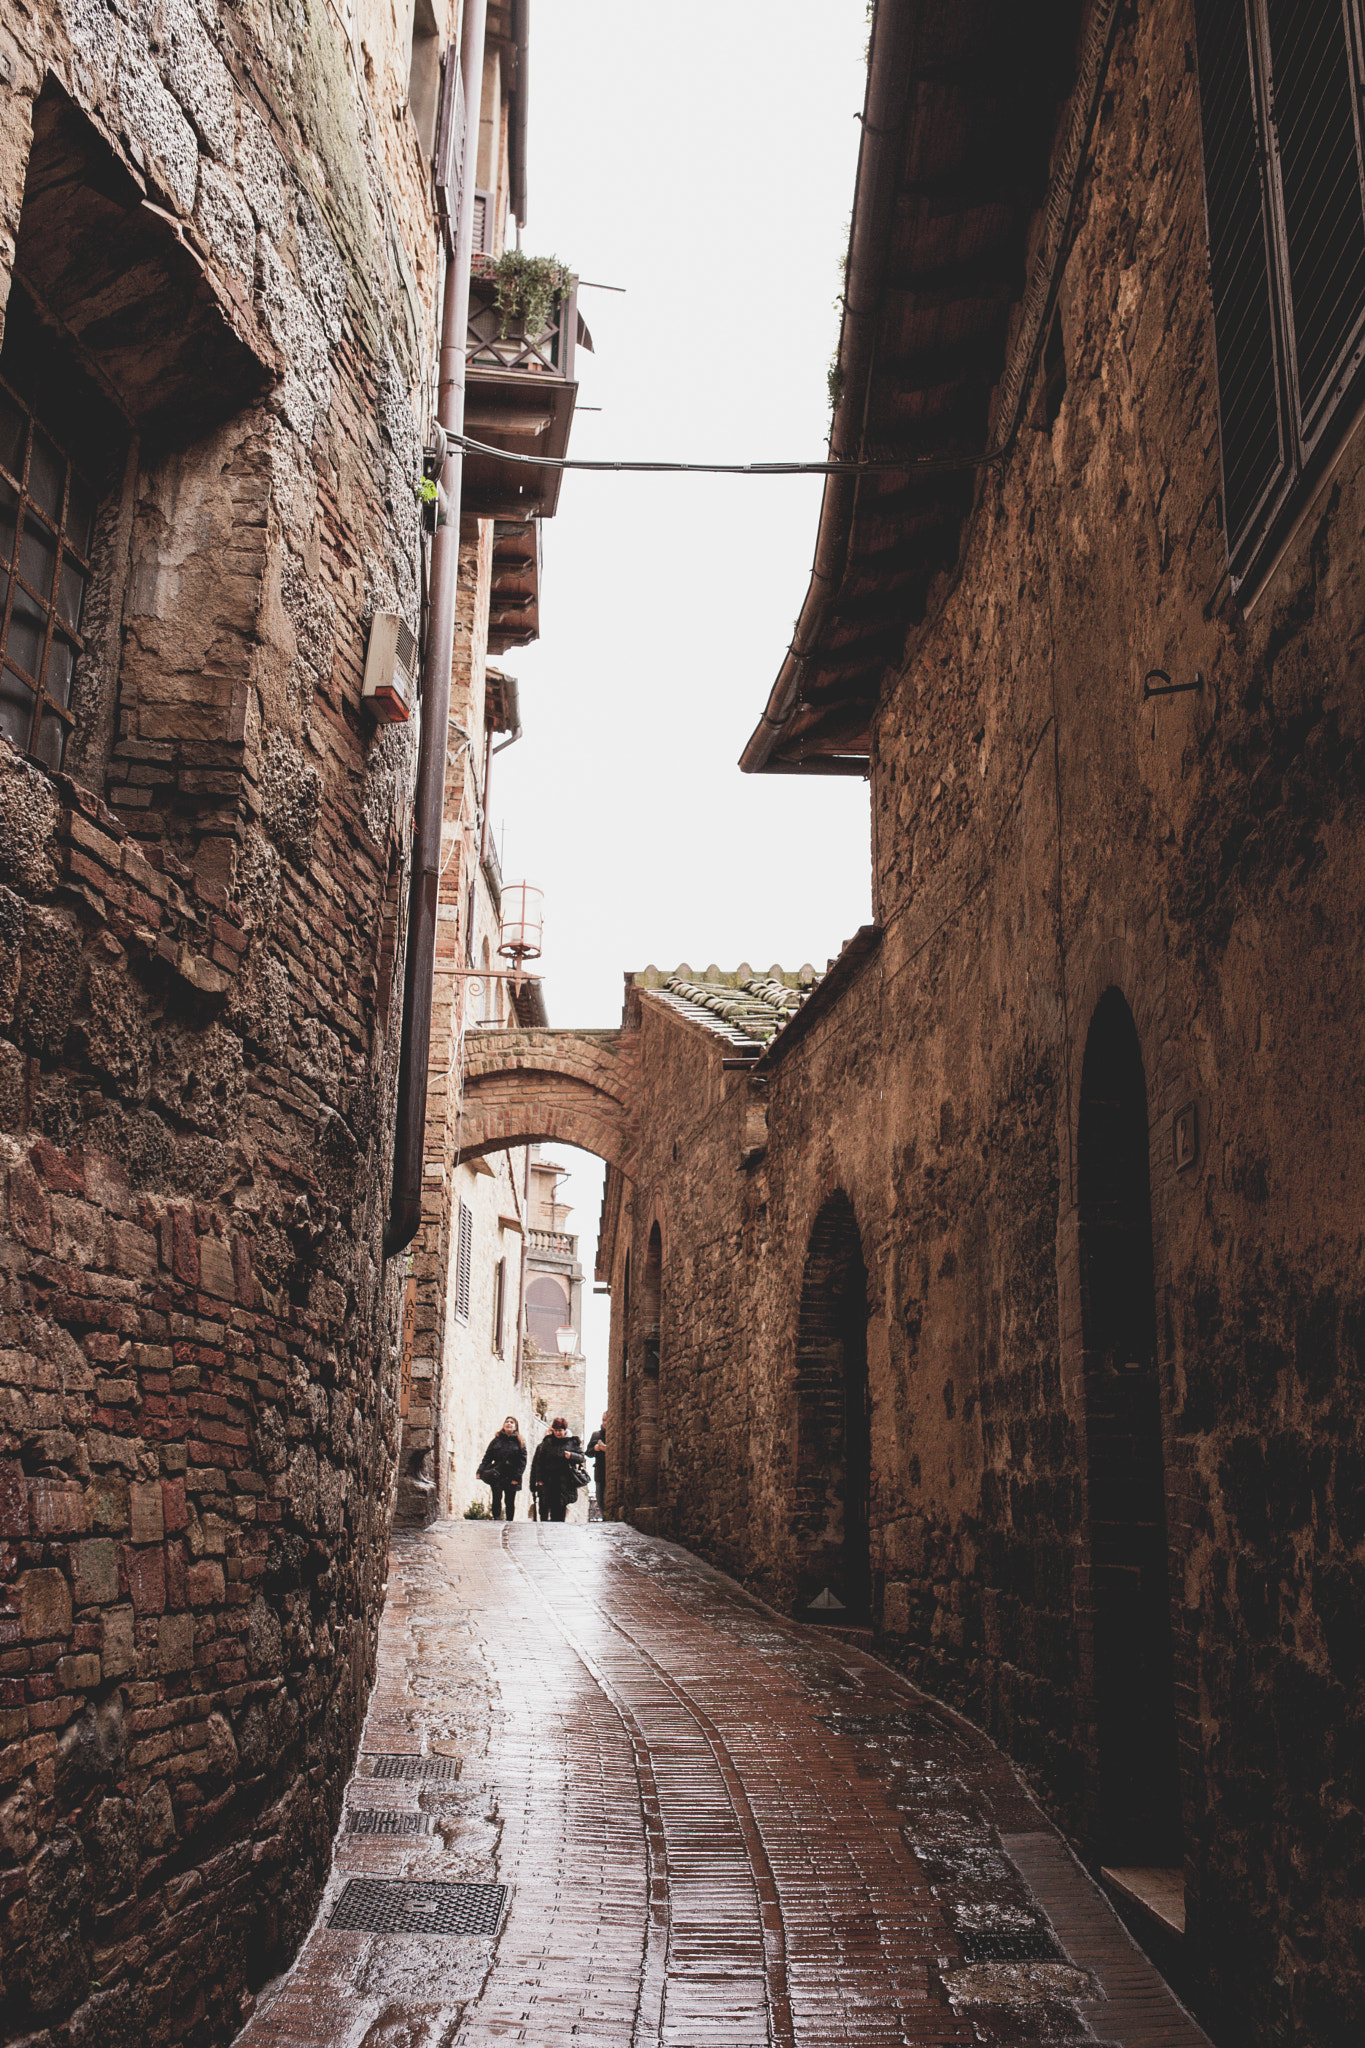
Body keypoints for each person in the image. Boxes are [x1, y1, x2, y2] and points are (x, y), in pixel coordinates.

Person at [530, 1415, 586, 1523]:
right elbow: (539, 1463)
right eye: (555, 1430)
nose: (558, 1433)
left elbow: (581, 1457)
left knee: (559, 1513)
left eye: (560, 1430)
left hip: (564, 1483)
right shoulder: (547, 1442)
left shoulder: (572, 1442)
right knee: (545, 1512)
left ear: (565, 1430)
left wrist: (571, 1456)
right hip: (548, 1482)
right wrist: (539, 1480)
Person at [476, 1416, 526, 1521]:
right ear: (503, 1425)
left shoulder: (520, 1442)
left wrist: (516, 1478)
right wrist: (480, 1470)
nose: (509, 1424)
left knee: (510, 1501)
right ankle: (496, 1519)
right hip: (498, 1474)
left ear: (515, 1427)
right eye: (507, 1422)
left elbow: (522, 1462)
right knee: (496, 1498)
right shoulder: (496, 1440)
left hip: (512, 1476)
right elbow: (487, 1457)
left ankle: (509, 1521)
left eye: (512, 1422)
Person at [586, 1412, 608, 1507]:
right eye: (603, 1420)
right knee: (600, 1499)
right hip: (600, 1471)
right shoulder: (596, 1435)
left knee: (607, 1499)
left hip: (611, 1472)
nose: (605, 1422)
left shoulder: (615, 1434)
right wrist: (595, 1449)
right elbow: (588, 1452)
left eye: (607, 1420)